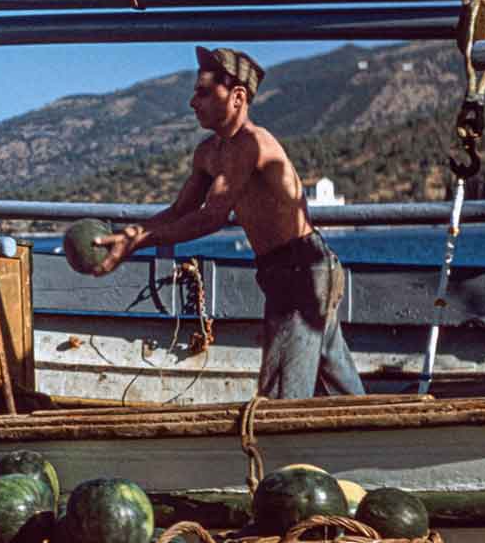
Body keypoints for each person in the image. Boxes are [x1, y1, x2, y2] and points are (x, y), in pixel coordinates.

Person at [90, 46, 364, 400]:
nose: (192, 102)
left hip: (305, 269)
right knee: (339, 383)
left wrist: (137, 243)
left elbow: (211, 217)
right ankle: (387, 441)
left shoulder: (252, 144)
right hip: (281, 273)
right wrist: (127, 237)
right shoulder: (207, 153)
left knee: (281, 396)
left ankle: (295, 450)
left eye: (203, 92)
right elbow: (179, 211)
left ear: (236, 97)